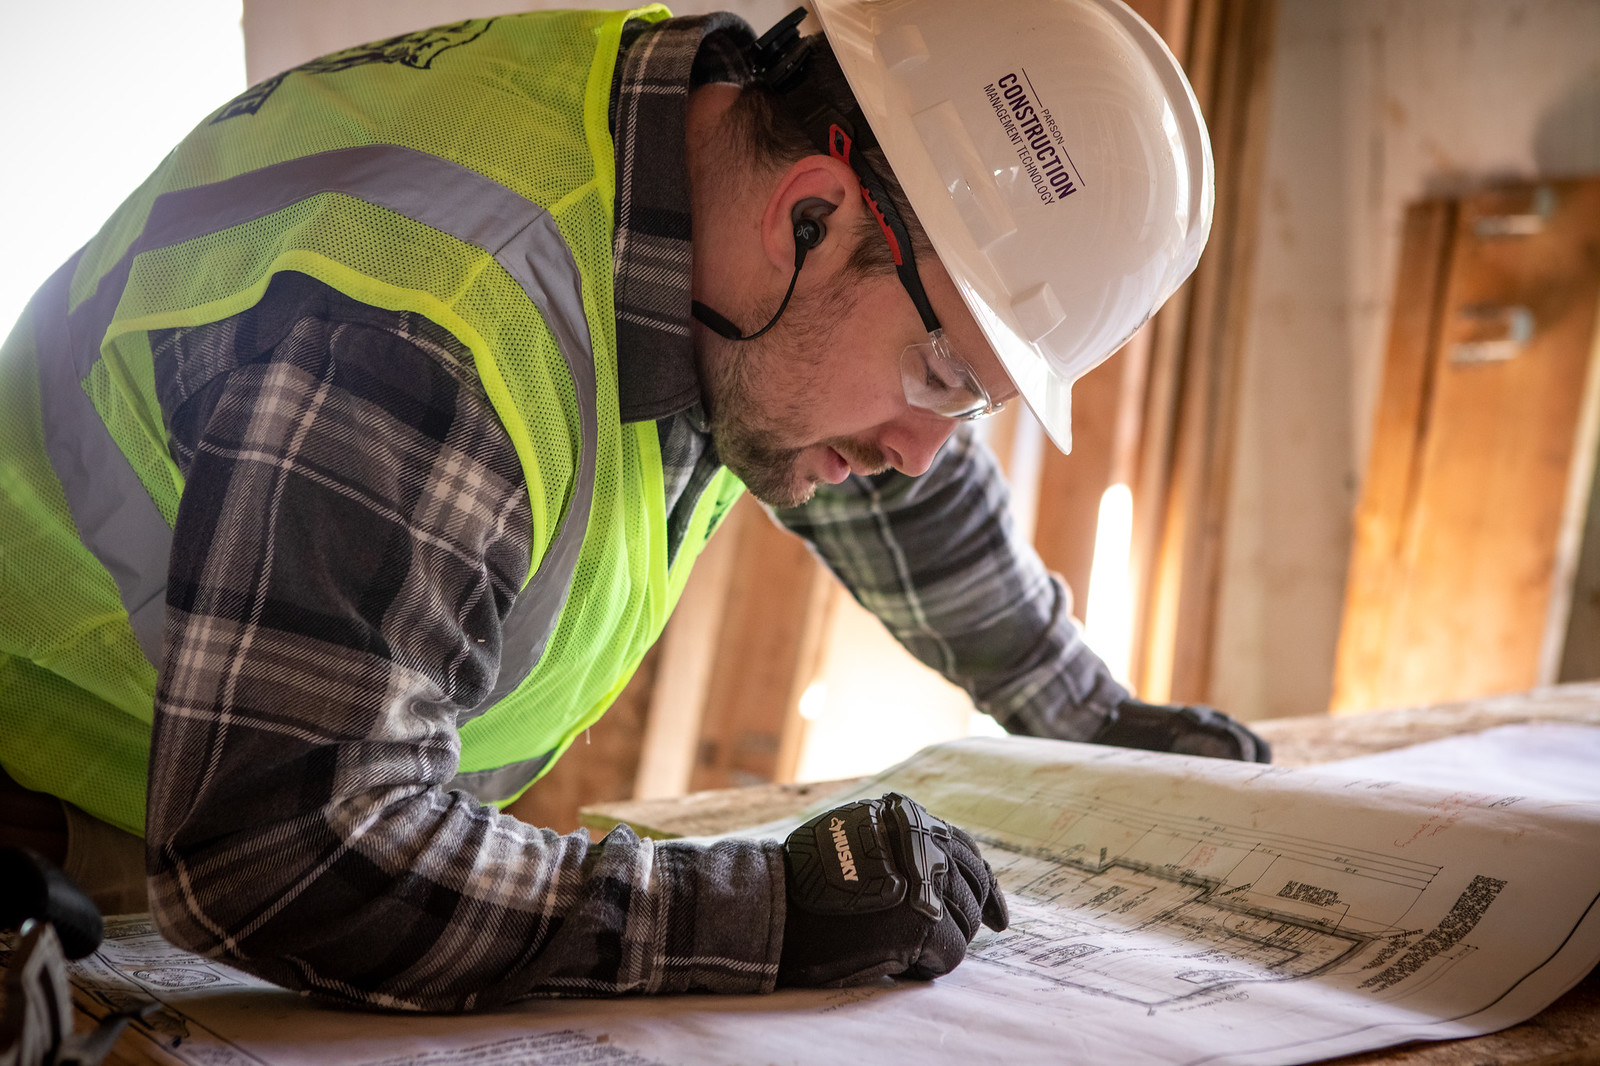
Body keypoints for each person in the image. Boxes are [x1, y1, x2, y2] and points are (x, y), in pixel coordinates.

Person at [0, 0, 1268, 1010]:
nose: (919, 453)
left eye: (970, 402)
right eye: (937, 378)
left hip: (210, 818)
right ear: (811, 215)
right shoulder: (432, 328)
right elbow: (285, 851)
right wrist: (775, 911)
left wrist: (1085, 711)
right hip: (53, 815)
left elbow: (891, 479)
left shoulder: (695, 172)